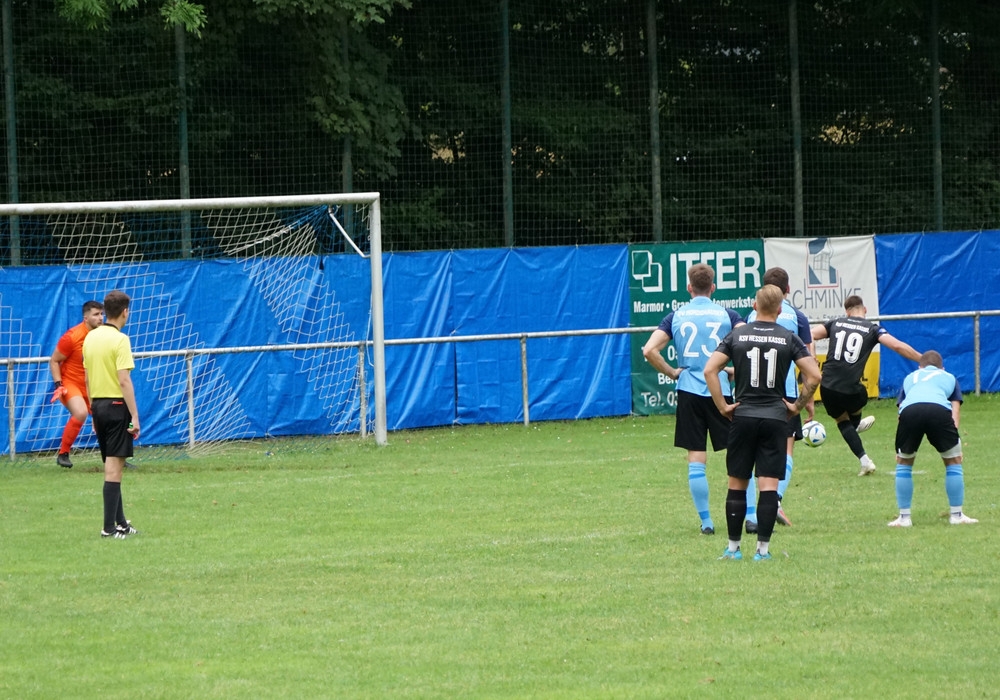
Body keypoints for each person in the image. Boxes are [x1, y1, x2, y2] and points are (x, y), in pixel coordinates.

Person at [705, 284, 821, 561]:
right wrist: (796, 406)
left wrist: (722, 406)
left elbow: (710, 370)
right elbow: (815, 376)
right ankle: (762, 551)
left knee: (737, 483)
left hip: (743, 416)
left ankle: (733, 549)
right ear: (780, 310)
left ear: (755, 306)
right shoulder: (789, 337)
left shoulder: (737, 334)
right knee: (768, 486)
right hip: (775, 418)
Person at [642, 263, 744, 536]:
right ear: (713, 287)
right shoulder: (728, 315)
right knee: (738, 455)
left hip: (689, 390)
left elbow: (649, 350)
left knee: (696, 458)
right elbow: (747, 344)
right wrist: (732, 370)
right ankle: (750, 517)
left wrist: (672, 372)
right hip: (720, 391)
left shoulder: (675, 316)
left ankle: (707, 522)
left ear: (689, 287)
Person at [811, 295, 921, 476]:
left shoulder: (835, 323)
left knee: (842, 421)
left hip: (827, 387)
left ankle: (865, 461)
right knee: (861, 394)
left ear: (847, 312)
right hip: (852, 390)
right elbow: (897, 346)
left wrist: (812, 357)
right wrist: (921, 358)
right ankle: (856, 424)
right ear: (865, 310)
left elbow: (810, 335)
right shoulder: (872, 329)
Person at [744, 267, 813, 532]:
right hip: (785, 394)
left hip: (752, 393)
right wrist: (807, 398)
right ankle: (775, 501)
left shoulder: (749, 317)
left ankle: (752, 513)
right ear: (787, 290)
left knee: (750, 455)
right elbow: (808, 361)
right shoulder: (797, 317)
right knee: (785, 451)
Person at [888, 350, 977, 527]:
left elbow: (901, 411)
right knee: (953, 462)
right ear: (942, 368)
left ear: (919, 367)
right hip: (939, 411)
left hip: (910, 412)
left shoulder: (910, 378)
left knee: (904, 463)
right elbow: (955, 410)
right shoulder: (949, 377)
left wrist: (902, 446)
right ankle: (956, 516)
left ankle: (904, 518)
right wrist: (954, 444)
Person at [82, 290, 141, 539]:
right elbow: (124, 380)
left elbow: (87, 379)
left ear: (105, 311)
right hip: (117, 406)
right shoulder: (120, 340)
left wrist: (93, 412)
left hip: (99, 406)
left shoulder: (90, 337)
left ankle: (121, 523)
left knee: (113, 465)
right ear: (125, 311)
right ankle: (108, 528)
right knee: (114, 469)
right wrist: (135, 416)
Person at [48, 300, 104, 468]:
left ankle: (116, 458)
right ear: (85, 318)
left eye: (102, 314)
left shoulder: (104, 335)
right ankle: (63, 454)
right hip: (70, 383)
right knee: (80, 412)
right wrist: (59, 385)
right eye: (96, 314)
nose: (100, 318)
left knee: (108, 416)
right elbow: (54, 360)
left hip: (93, 384)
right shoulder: (72, 337)